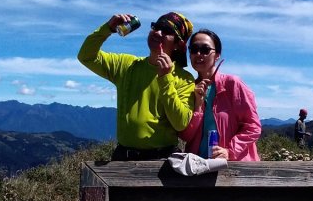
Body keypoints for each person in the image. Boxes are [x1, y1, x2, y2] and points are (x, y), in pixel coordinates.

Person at [78, 11, 195, 161]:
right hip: (124, 157)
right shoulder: (126, 65)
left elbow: (180, 123)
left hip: (163, 160)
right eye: (156, 27)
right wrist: (107, 28)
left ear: (179, 44)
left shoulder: (184, 79)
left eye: (167, 31)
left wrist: (165, 78)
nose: (158, 33)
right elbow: (86, 56)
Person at [179, 29, 261, 161]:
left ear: (217, 55)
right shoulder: (188, 89)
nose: (198, 54)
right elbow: (185, 136)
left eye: (205, 49)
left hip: (234, 168)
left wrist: (230, 151)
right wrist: (198, 106)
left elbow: (253, 126)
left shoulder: (232, 84)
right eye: (194, 49)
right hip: (198, 166)